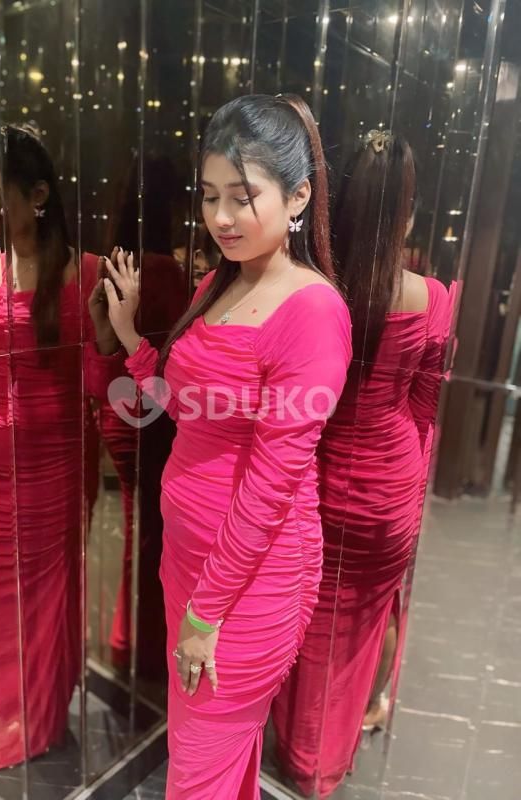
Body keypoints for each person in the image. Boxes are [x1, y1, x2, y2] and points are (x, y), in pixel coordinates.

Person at [101, 93, 352, 799]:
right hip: (190, 561)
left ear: (298, 195)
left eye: (242, 198)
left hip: (249, 585)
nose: (220, 217)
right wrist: (131, 336)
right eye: (210, 196)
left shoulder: (313, 311)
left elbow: (272, 485)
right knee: (206, 755)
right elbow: (184, 408)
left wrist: (206, 613)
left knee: (197, 771)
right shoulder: (220, 282)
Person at [0, 125, 122, 797]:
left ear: (37, 195)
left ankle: (34, 726)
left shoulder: (85, 271)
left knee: (42, 606)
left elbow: (100, 389)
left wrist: (105, 337)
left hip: (55, 473)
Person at [272, 131, 453, 797]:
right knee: (357, 632)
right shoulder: (433, 299)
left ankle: (290, 743)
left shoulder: (313, 291)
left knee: (303, 617)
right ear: (407, 211)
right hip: (388, 492)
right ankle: (322, 758)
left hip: (315, 483)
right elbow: (425, 410)